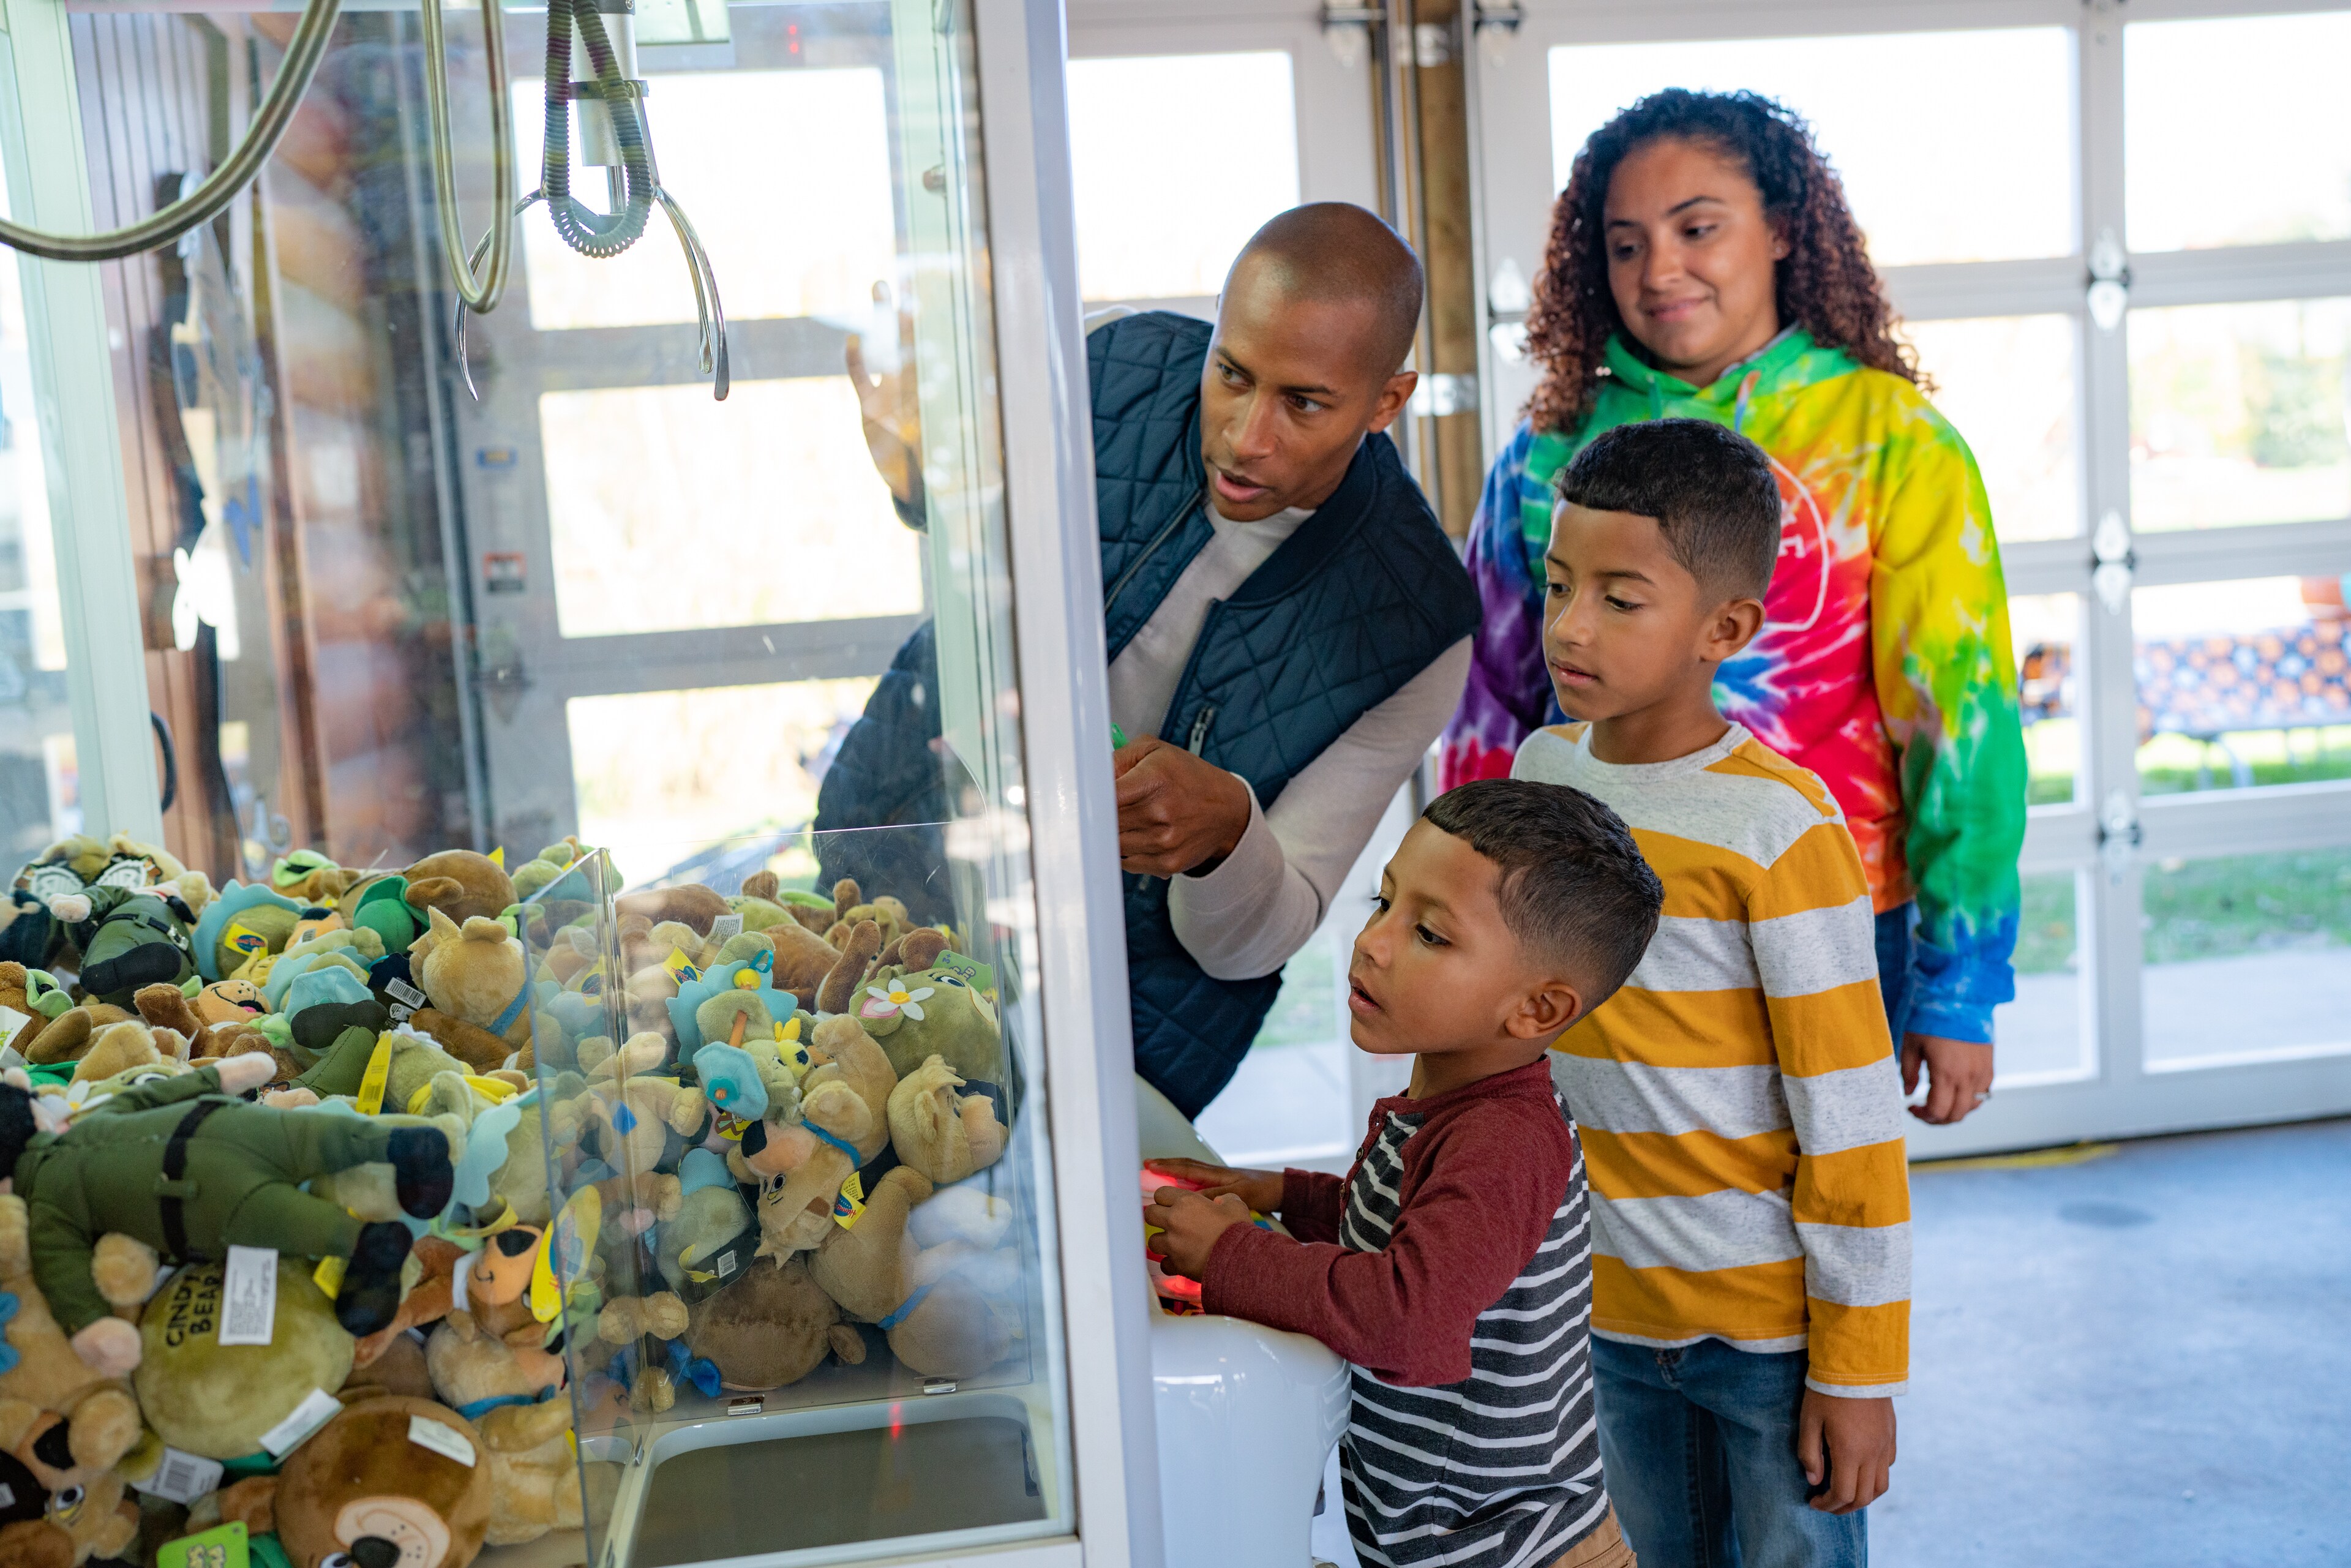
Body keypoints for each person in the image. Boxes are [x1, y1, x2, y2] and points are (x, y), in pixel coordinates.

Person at [1441, 89, 2026, 1127]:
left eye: (1697, 228)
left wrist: (1962, 984)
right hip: (1585, 920)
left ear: (1785, 229)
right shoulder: (1548, 450)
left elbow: (1961, 727)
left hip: (1833, 914)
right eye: (1625, 245)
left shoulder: (1894, 442)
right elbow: (1491, 710)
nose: (1660, 269)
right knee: (1597, 1232)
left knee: (1810, 1216)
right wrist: (1466, 926)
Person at [827, 203, 1478, 1119]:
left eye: (1303, 403)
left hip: (1122, 1031)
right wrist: (919, 474)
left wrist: (1228, 837)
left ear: (1387, 403)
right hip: (897, 855)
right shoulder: (1116, 364)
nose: (1246, 437)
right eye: (1233, 374)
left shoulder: (1419, 626)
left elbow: (1264, 936)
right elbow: (981, 560)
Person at [1513, 419, 1910, 1566]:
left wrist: (1858, 1368)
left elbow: (1851, 1115)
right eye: (1559, 584)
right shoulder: (1543, 773)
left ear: (1725, 629)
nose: (1571, 625)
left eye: (1621, 598)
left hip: (1769, 1339)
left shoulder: (1778, 828)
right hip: (1604, 1312)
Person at [1146, 778, 1663, 1568]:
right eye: (1384, 903)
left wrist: (1231, 1257)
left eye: (1429, 933)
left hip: (1514, 1548)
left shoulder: (1502, 1139)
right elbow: (1400, 1228)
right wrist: (1281, 1194)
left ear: (1536, 1009)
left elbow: (1410, 1321)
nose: (1374, 942)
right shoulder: (1447, 1098)